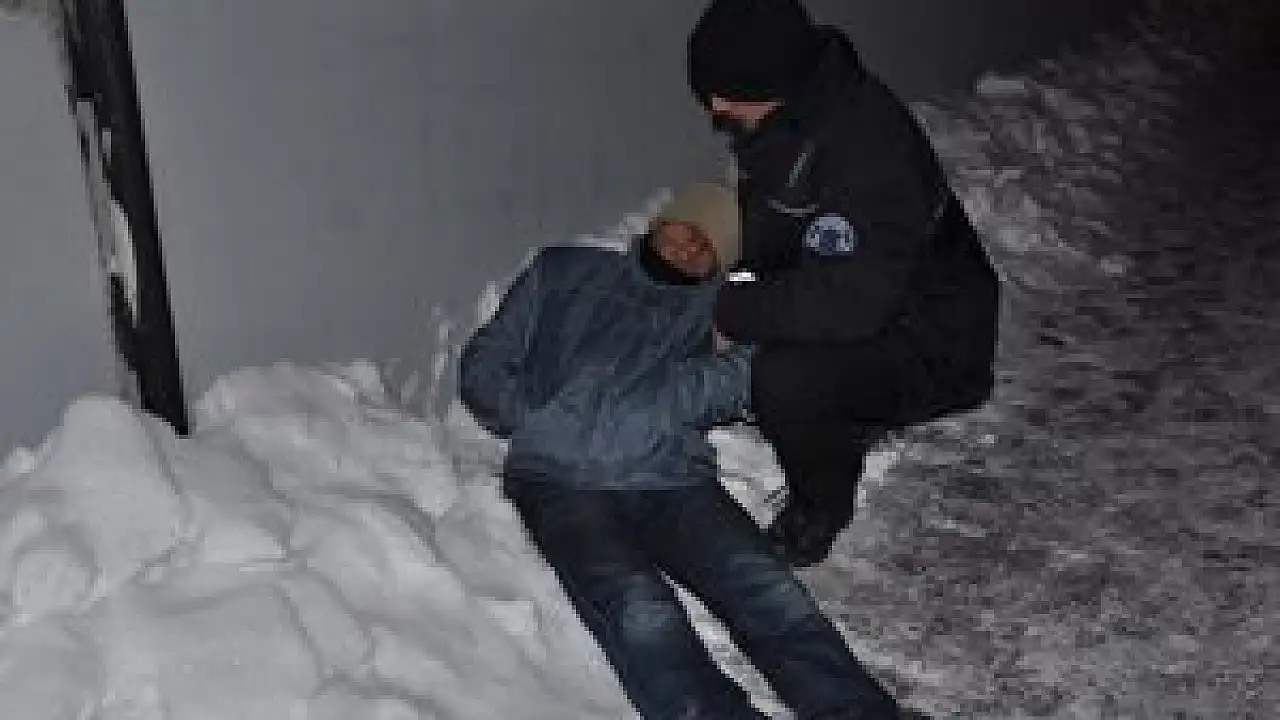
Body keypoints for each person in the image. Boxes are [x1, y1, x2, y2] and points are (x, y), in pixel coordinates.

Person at [458, 183, 912, 719]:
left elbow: (748, 377)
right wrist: (536, 418)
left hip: (675, 482)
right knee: (640, 608)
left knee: (767, 590)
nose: (691, 244)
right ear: (661, 222)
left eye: (708, 245)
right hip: (562, 482)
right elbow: (487, 359)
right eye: (687, 226)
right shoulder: (563, 271)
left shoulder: (726, 312)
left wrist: (661, 401)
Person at [686, 0, 1002, 567]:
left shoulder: (867, 150)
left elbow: (849, 302)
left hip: (936, 341)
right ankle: (847, 407)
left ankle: (819, 508)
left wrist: (732, 312)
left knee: (786, 380)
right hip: (877, 302)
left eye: (727, 93)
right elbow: (776, 230)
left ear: (774, 81)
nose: (715, 107)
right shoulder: (790, 121)